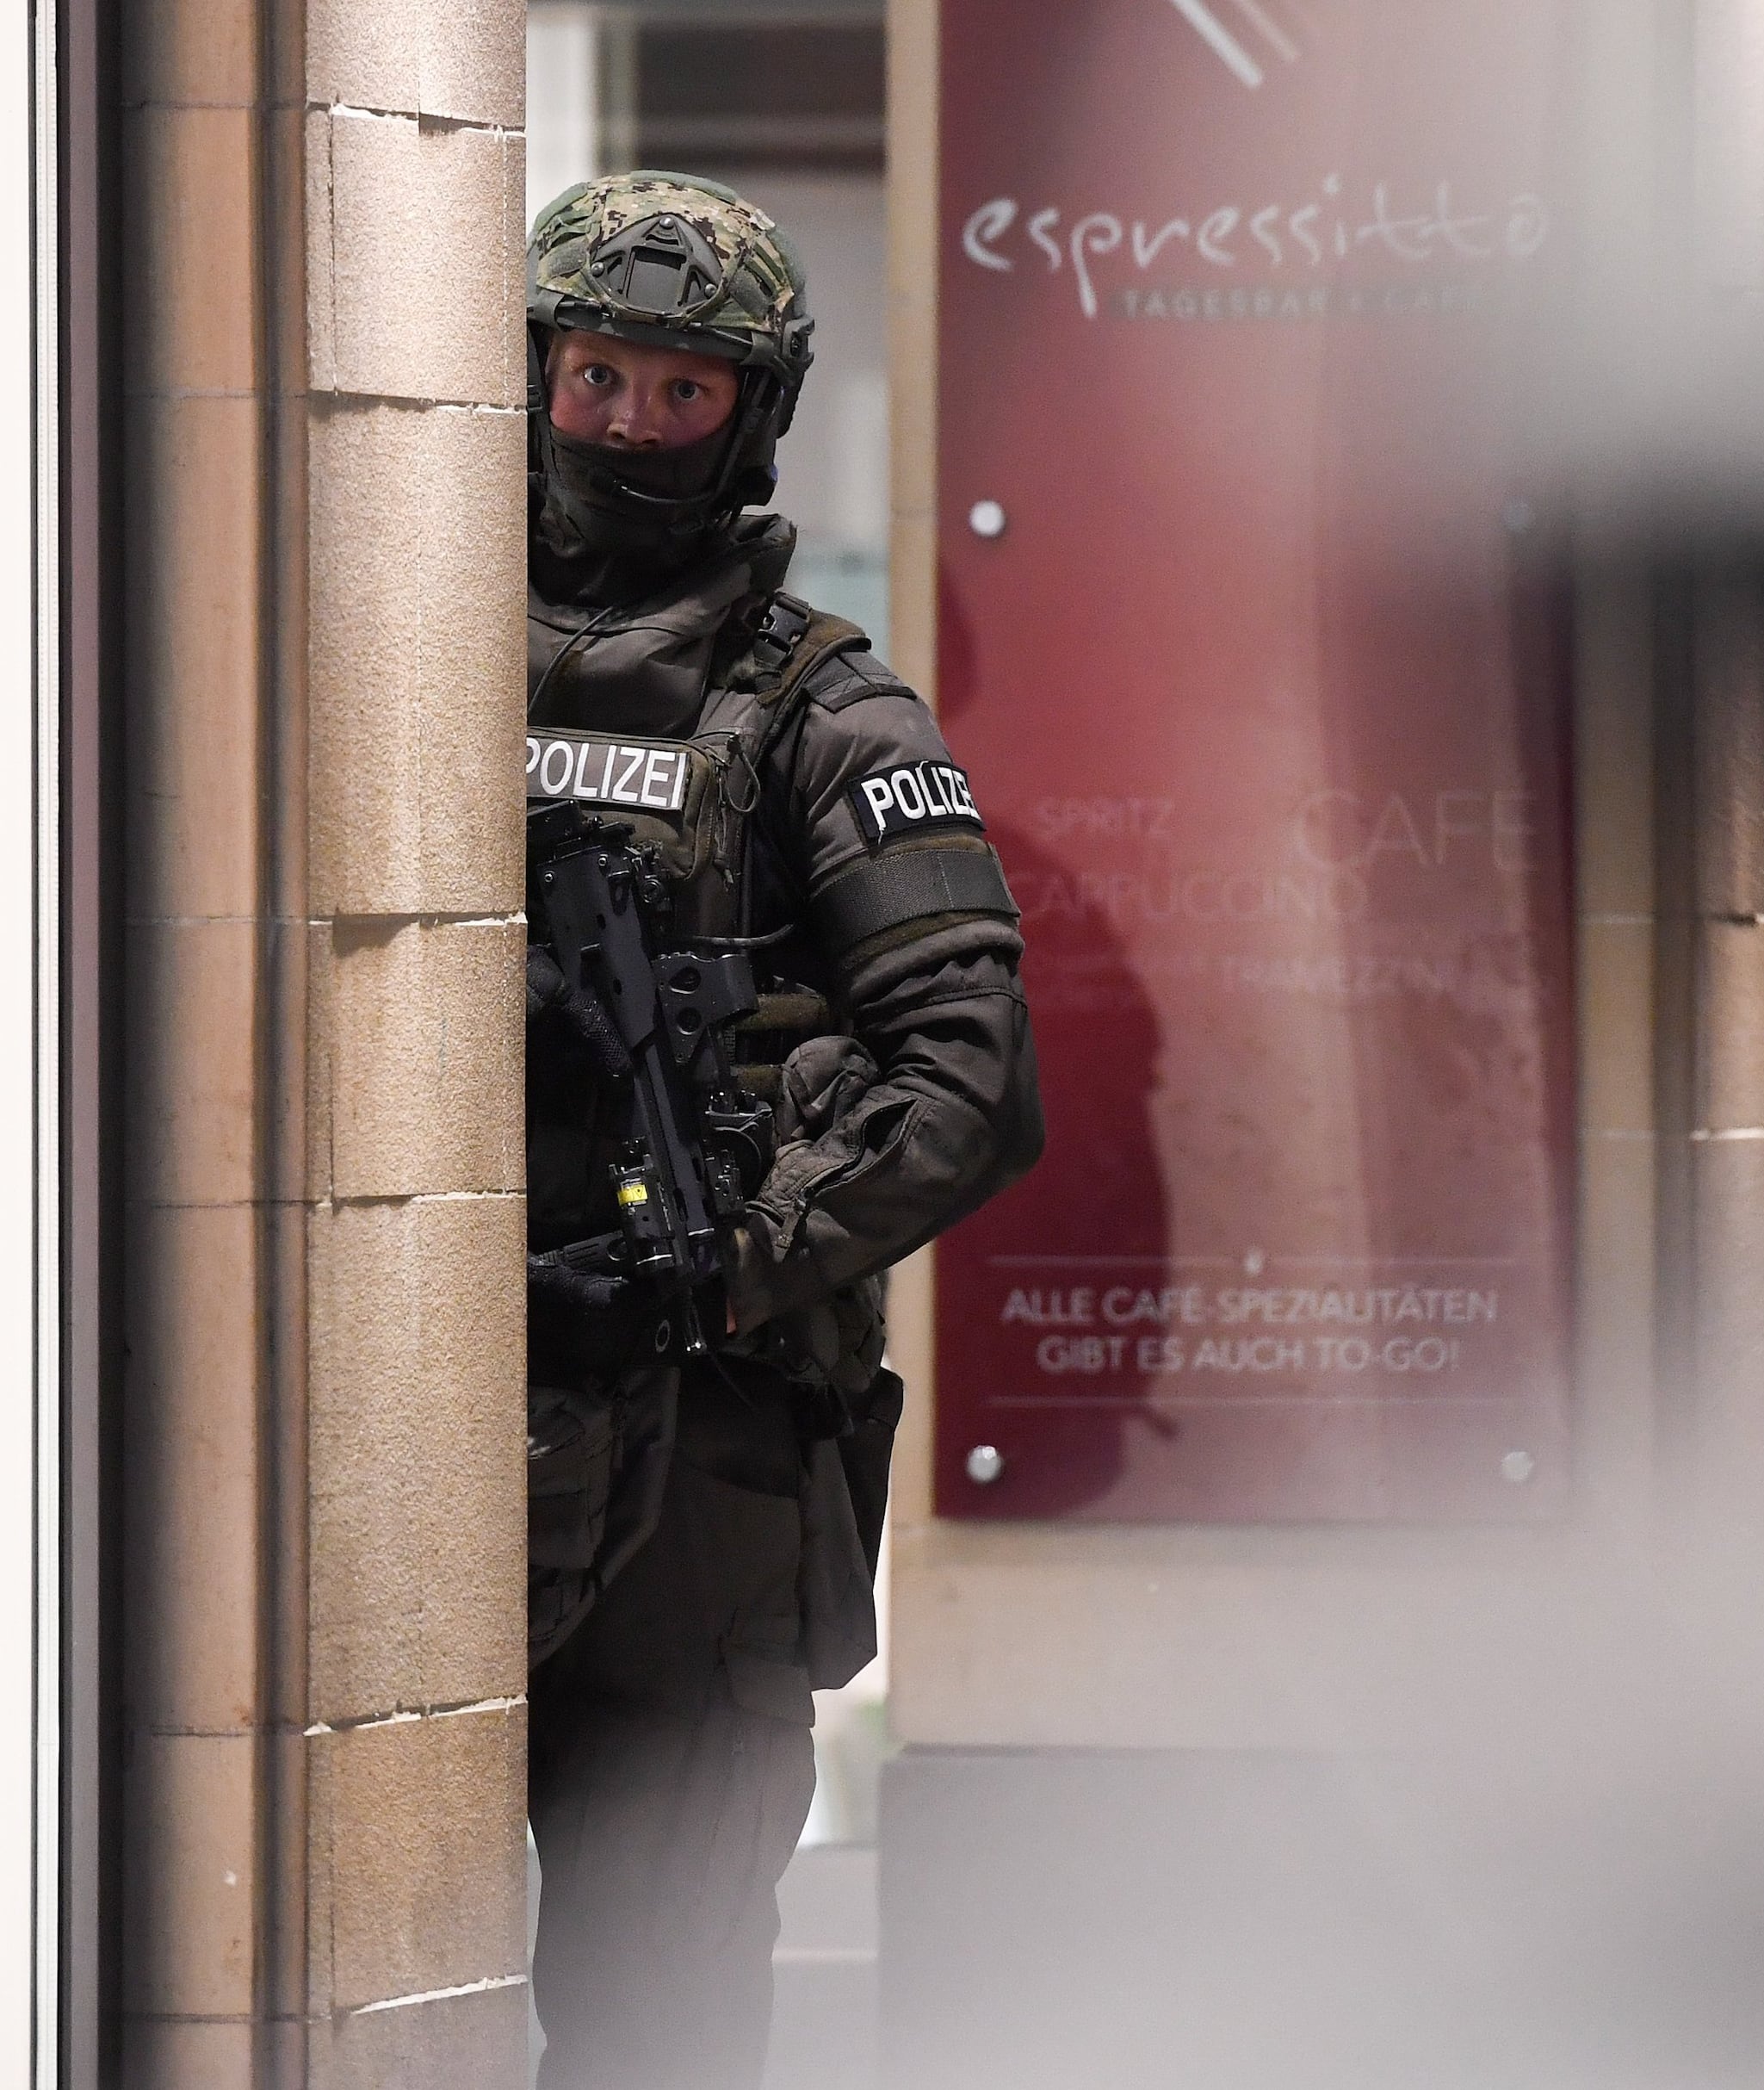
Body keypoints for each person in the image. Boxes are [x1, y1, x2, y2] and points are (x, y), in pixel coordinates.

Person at [521, 171, 1045, 2090]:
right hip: (427, 1451)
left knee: (654, 2004)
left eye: (682, 391)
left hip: (699, 1461)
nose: (633, 427)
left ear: (754, 411)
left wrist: (718, 1259)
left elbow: (969, 1080)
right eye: (598, 377)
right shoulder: (386, 673)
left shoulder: (827, 715)